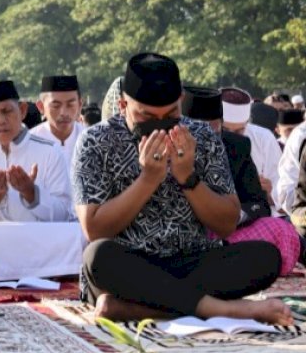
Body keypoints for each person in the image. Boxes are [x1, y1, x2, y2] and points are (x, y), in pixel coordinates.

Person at [75, 52, 289, 325]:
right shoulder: (95, 142)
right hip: (129, 266)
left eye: (171, 115)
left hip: (192, 262)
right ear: (123, 105)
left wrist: (188, 178)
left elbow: (226, 224)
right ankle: (224, 309)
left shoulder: (203, 136)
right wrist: (147, 181)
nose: (161, 125)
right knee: (98, 256)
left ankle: (134, 309)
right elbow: (94, 229)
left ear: (180, 104)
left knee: (265, 257)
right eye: (147, 116)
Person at [182, 86, 299, 275]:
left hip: (229, 233)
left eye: (213, 129)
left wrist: (231, 216)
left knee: (281, 230)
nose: (207, 137)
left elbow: (259, 204)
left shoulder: (237, 146)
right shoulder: (163, 147)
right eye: (197, 130)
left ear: (219, 124)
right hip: (180, 234)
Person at [0, 80, 73, 222]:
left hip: (38, 243)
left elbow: (64, 215)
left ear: (22, 110)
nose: (0, 120)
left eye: (7, 111)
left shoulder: (49, 152)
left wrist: (31, 193)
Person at [221, 87, 282, 205]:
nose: (233, 138)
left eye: (239, 131)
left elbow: (281, 196)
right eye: (226, 130)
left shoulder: (263, 137)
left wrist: (268, 191)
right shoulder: (204, 137)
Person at [31, 75, 86, 170]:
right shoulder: (30, 143)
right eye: (56, 106)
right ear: (41, 107)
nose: (63, 113)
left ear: (80, 105)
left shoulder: (91, 141)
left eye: (70, 105)